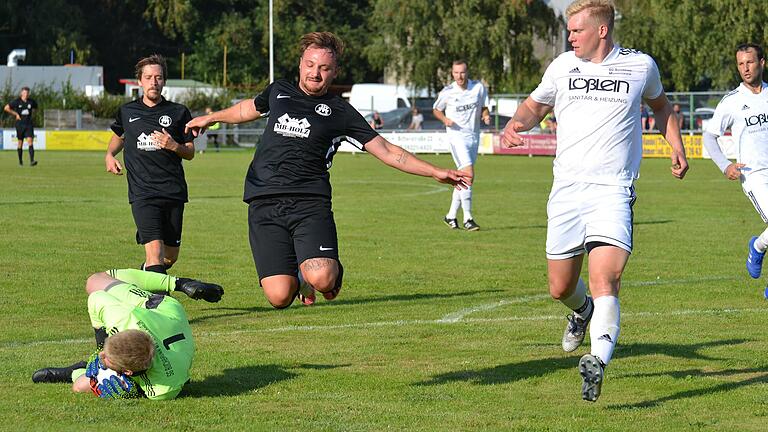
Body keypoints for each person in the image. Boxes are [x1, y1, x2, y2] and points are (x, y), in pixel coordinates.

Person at [185, 32, 471, 309]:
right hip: (263, 199)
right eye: (310, 65)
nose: (315, 73)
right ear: (300, 63)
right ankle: (300, 276)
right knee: (279, 297)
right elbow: (247, 109)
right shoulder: (279, 90)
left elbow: (385, 150)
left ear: (335, 72)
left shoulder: (340, 112)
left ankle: (325, 273)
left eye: (324, 68)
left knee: (323, 279)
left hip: (310, 202)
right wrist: (210, 118)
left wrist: (434, 171)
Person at [501, 0, 688, 402]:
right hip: (566, 189)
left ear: (601, 30)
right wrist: (516, 124)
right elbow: (536, 105)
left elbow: (661, 105)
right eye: (569, 31)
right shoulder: (562, 67)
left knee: (608, 278)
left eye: (576, 31)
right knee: (559, 286)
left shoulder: (641, 66)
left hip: (613, 189)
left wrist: (675, 144)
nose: (570, 38)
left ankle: (597, 360)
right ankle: (581, 310)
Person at [31, 268, 223, 400]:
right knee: (95, 281)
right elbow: (96, 298)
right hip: (166, 311)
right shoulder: (123, 318)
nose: (101, 356)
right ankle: (181, 283)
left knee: (80, 385)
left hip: (165, 339)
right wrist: (101, 347)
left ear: (129, 372)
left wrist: (129, 390)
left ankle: (76, 369)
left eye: (106, 357)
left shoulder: (163, 389)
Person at [105, 54, 196, 274]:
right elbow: (119, 134)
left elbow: (190, 152)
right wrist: (109, 154)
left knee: (169, 257)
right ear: (140, 81)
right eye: (148, 77)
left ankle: (144, 276)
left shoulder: (179, 112)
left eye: (158, 77)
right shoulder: (127, 111)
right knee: (154, 252)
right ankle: (157, 304)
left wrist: (173, 145)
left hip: (173, 192)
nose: (153, 82)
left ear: (164, 81)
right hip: (143, 193)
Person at [703, 43, 768, 285]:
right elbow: (709, 137)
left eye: (749, 62)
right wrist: (725, 165)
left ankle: (759, 245)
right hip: (755, 174)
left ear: (762, 63)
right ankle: (759, 247)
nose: (745, 68)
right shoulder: (732, 101)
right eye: (741, 64)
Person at [433, 60, 491, 231]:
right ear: (452, 73)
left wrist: (486, 115)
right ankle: (468, 218)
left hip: (473, 137)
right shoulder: (448, 92)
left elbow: (484, 107)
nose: (460, 76)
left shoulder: (478, 88)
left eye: (462, 72)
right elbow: (436, 109)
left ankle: (450, 216)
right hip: (456, 136)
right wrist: (445, 119)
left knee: (462, 177)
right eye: (456, 73)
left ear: (467, 72)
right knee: (468, 174)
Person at [4, 87, 39, 166]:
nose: (26, 94)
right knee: (20, 143)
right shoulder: (17, 101)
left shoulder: (31, 102)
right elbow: (6, 108)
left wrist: (32, 116)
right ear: (22, 93)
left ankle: (32, 161)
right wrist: (16, 114)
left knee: (30, 141)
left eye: (27, 93)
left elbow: (36, 108)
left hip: (29, 125)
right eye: (25, 93)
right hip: (20, 125)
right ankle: (20, 161)